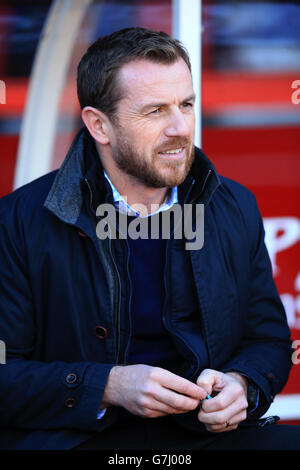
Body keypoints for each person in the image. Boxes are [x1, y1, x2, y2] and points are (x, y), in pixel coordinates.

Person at [0, 27, 299, 451]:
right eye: (156, 111)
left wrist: (243, 384)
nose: (180, 128)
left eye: (187, 104)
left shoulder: (235, 205)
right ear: (99, 125)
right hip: (75, 439)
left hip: (203, 437)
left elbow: (268, 340)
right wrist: (107, 386)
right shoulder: (17, 221)